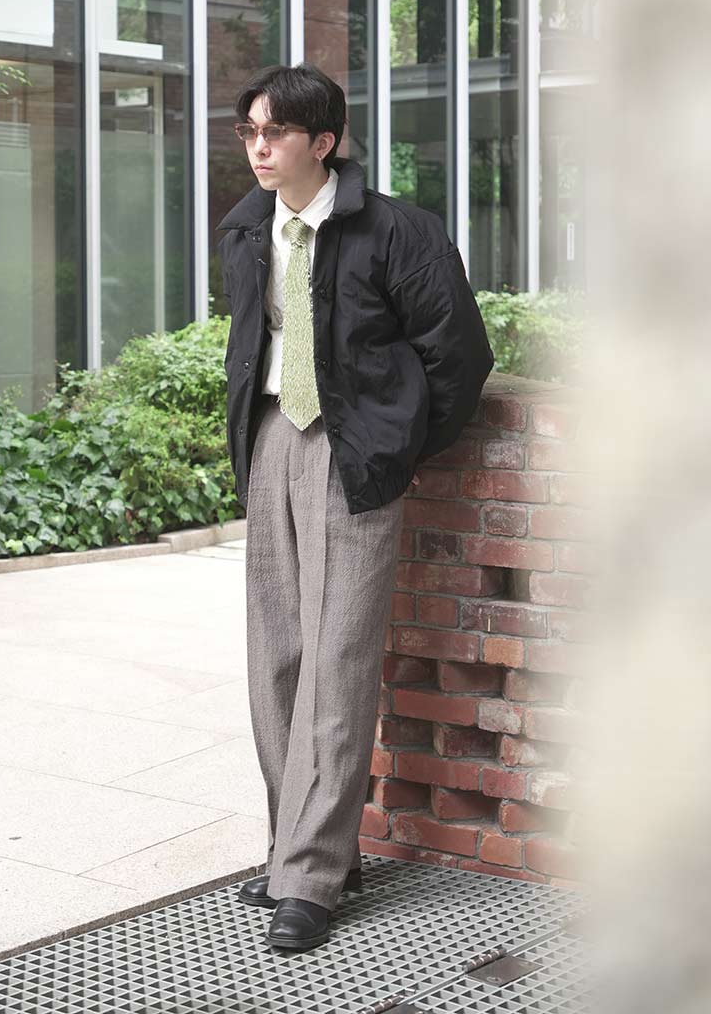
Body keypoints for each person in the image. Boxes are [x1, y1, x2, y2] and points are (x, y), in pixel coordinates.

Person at [217, 62, 494, 952]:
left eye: (276, 132)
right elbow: (253, 340)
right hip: (273, 437)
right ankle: (300, 848)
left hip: (352, 454)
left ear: (324, 142)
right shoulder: (248, 227)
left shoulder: (398, 231)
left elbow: (460, 355)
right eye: (250, 131)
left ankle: (310, 876)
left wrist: (399, 446)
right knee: (276, 658)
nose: (259, 148)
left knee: (337, 661)